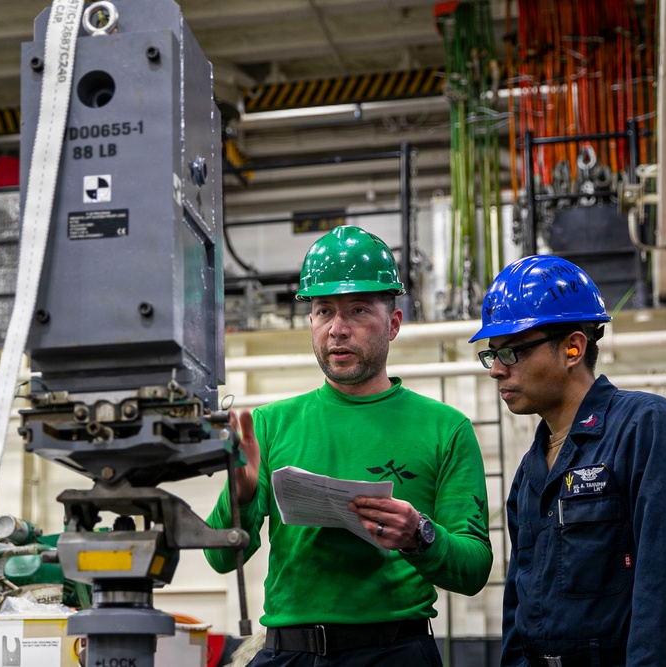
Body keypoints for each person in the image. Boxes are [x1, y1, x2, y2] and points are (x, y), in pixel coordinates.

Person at [205, 225, 494, 666]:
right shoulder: (267, 425)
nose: (337, 329)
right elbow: (220, 558)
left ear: (393, 324)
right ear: (311, 322)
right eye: (324, 311)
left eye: (358, 310)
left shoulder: (445, 429)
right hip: (289, 654)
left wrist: (420, 535)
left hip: (395, 654)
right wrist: (238, 498)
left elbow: (473, 570)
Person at [467, 255, 666, 667]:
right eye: (491, 355)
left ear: (573, 348)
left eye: (510, 352)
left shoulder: (648, 428)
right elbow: (520, 602)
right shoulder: (532, 470)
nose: (496, 371)